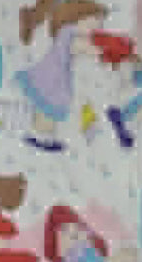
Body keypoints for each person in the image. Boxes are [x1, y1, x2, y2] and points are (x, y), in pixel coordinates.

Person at [16, 0, 108, 151]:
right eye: (95, 21)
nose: (98, 28)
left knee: (47, 110)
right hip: (52, 78)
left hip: (54, 76)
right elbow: (84, 47)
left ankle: (44, 136)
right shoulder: (69, 34)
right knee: (49, 109)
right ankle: (39, 136)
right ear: (78, 17)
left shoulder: (68, 33)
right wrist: (103, 51)